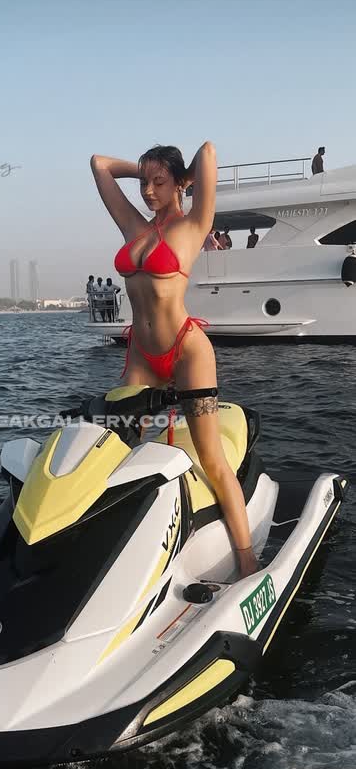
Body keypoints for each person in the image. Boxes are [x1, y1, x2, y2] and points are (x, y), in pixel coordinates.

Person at [90, 142, 258, 577]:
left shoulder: (194, 225)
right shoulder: (133, 226)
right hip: (141, 356)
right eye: (144, 183)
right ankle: (113, 546)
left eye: (158, 182)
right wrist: (146, 169)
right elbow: (100, 165)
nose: (148, 190)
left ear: (179, 183)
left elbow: (208, 153)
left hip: (186, 351)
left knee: (211, 458)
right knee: (116, 445)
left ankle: (246, 558)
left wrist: (181, 175)